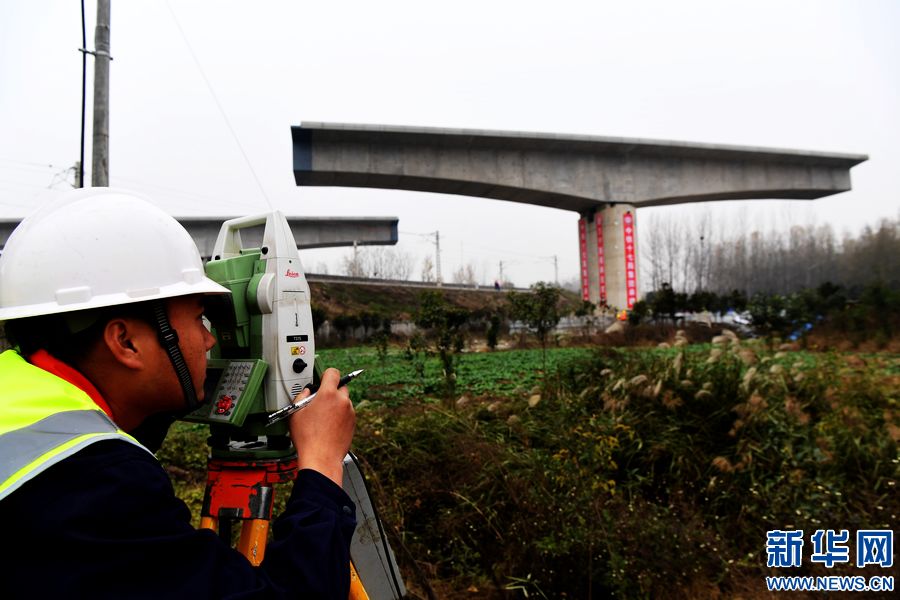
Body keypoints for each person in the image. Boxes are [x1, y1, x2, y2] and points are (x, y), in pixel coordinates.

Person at [0, 188, 357, 598]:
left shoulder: (21, 408)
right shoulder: (101, 484)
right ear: (126, 342)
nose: (209, 341)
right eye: (198, 318)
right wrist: (322, 462)